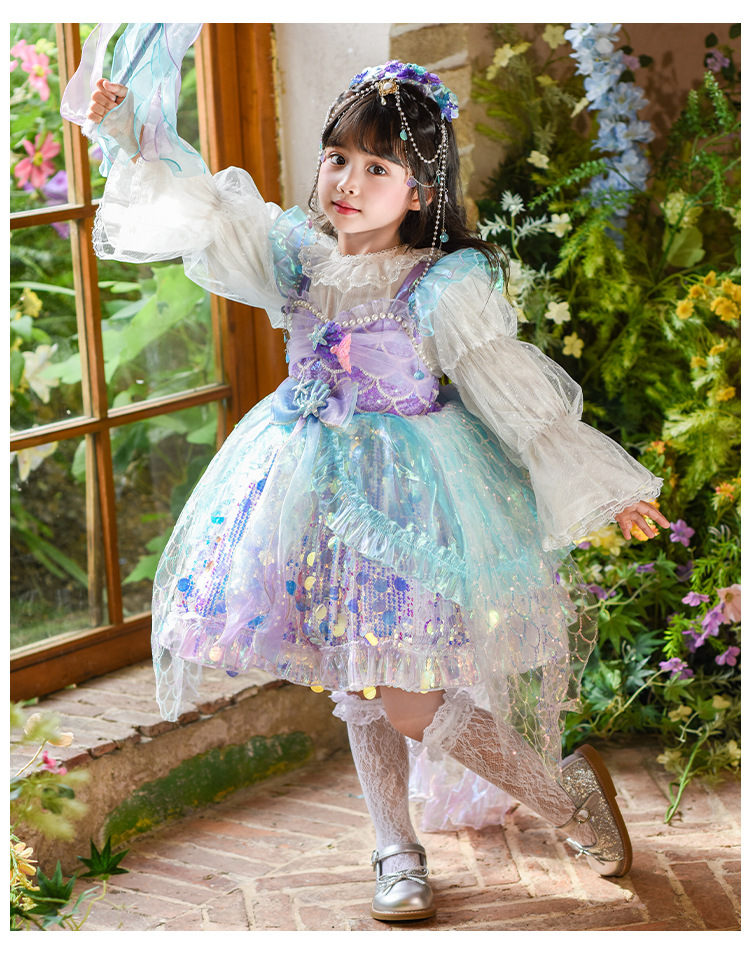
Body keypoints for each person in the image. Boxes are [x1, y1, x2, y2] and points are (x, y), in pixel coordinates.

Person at [69, 29, 669, 923]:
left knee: (411, 697)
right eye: (337, 158)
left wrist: (601, 486)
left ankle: (565, 799)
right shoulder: (295, 256)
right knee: (357, 682)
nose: (347, 181)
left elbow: (512, 391)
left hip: (410, 502)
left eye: (376, 168)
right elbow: (205, 207)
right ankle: (395, 846)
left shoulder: (440, 283)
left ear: (420, 192)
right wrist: (131, 131)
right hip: (309, 486)